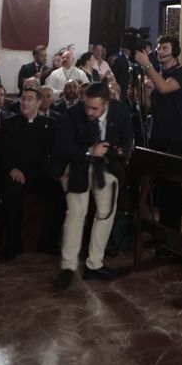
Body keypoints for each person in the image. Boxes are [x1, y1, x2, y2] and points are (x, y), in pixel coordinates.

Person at [51, 82, 135, 290]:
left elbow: (128, 138)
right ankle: (68, 268)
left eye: (94, 108)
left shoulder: (120, 111)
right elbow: (62, 146)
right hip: (78, 166)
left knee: (106, 212)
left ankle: (94, 264)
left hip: (105, 168)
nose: (89, 111)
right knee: (76, 213)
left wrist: (120, 152)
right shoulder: (73, 114)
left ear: (106, 104)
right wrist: (89, 151)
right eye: (87, 106)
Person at [0, 85, 61, 260]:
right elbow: (0, 152)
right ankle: (12, 245)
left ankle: (48, 242)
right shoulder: (10, 123)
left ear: (39, 103)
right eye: (23, 98)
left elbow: (52, 153)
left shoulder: (49, 125)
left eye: (30, 99)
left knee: (58, 194)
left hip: (39, 175)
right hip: (16, 175)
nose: (24, 102)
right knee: (12, 194)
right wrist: (12, 169)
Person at [135, 34, 182, 232]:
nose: (160, 51)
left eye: (164, 48)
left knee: (172, 185)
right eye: (158, 48)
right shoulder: (157, 72)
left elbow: (165, 88)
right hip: (157, 132)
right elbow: (152, 106)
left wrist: (146, 65)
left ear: (174, 51)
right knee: (160, 185)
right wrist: (141, 94)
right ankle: (161, 231)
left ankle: (172, 232)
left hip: (175, 135)